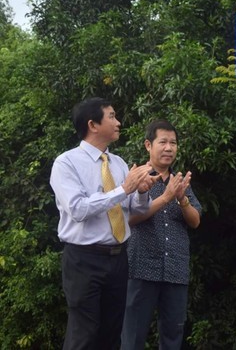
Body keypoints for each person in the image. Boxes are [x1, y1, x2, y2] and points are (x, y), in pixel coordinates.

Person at [50, 97, 158, 349]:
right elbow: (78, 209)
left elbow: (134, 209)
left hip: (118, 258)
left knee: (112, 333)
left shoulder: (118, 163)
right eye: (111, 116)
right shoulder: (66, 163)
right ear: (93, 124)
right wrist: (123, 189)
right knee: (84, 334)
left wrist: (141, 191)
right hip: (83, 260)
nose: (118, 122)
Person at [121, 120, 202, 350]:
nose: (169, 148)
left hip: (175, 269)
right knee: (133, 337)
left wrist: (181, 198)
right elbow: (128, 219)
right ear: (148, 145)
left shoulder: (180, 181)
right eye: (163, 142)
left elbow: (195, 221)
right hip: (141, 267)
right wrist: (165, 198)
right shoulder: (137, 177)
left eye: (173, 143)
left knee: (172, 338)